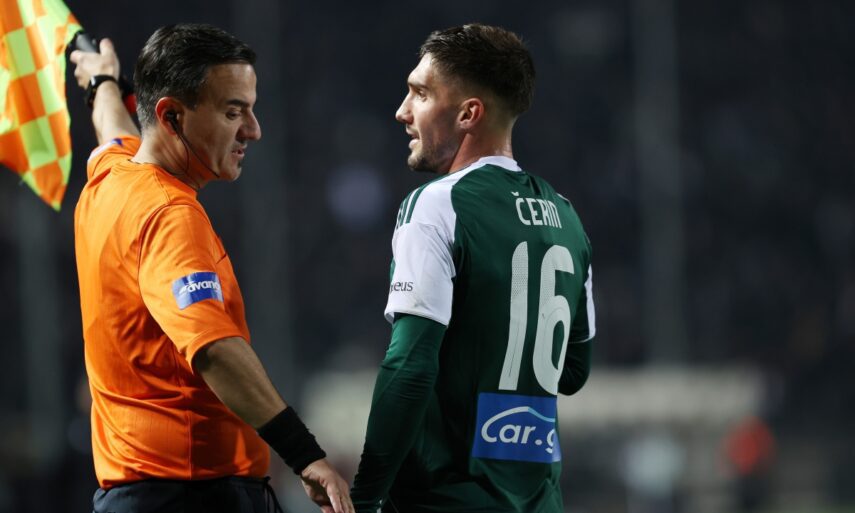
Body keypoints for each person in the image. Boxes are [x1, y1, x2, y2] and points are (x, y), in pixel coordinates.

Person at [69, 24, 353, 513]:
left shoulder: (111, 174)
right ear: (171, 116)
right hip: (189, 495)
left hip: (136, 494)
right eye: (232, 112)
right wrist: (304, 455)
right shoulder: (169, 216)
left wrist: (103, 82)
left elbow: (113, 127)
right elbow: (215, 350)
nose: (253, 130)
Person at [350, 24, 596, 512]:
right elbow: (572, 372)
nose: (402, 111)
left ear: (468, 114)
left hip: (448, 498)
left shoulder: (437, 204)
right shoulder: (567, 216)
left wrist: (365, 496)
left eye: (420, 93)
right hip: (540, 500)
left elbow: (410, 365)